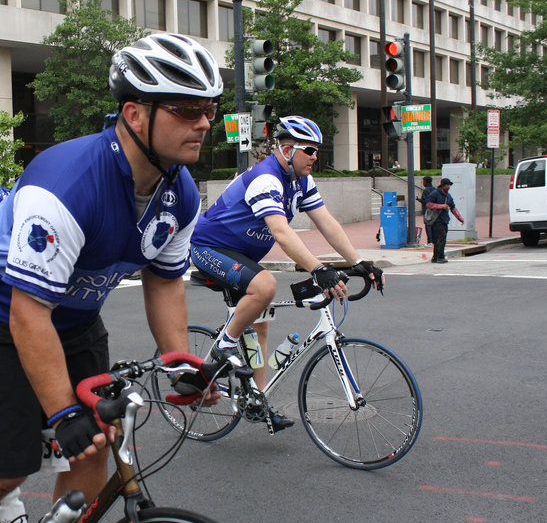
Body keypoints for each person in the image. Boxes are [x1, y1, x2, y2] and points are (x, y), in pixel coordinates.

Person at [0, 32, 223, 523]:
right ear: (135, 113)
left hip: (73, 315)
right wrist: (62, 412)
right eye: (186, 109)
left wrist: (179, 361)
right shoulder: (67, 184)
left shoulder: (179, 191)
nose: (204, 122)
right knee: (5, 466)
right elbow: (27, 313)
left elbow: (163, 281)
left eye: (208, 109)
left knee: (97, 448)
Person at [190, 115, 384, 432]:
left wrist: (358, 262)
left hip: (242, 256)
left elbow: (327, 223)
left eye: (318, 150)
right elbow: (281, 233)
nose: (315, 157)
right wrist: (319, 269)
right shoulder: (266, 178)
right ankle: (224, 344)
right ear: (287, 149)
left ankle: (257, 398)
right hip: (209, 248)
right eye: (309, 150)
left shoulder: (301, 181)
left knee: (261, 324)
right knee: (265, 285)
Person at [425, 177, 464, 264]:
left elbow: (453, 208)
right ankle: (440, 257)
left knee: (439, 238)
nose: (448, 186)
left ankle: (436, 257)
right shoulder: (435, 193)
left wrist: (460, 218)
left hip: (444, 219)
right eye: (447, 185)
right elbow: (428, 204)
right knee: (441, 238)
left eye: (449, 185)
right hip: (436, 220)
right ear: (442, 186)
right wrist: (441, 206)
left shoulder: (448, 196)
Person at [418, 176, 436, 244]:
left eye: (423, 181)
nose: (423, 183)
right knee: (433, 225)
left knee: (428, 225)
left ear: (425, 182)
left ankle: (430, 240)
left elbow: (425, 201)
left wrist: (419, 200)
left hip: (427, 210)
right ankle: (433, 239)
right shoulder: (434, 189)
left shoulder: (426, 190)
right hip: (434, 210)